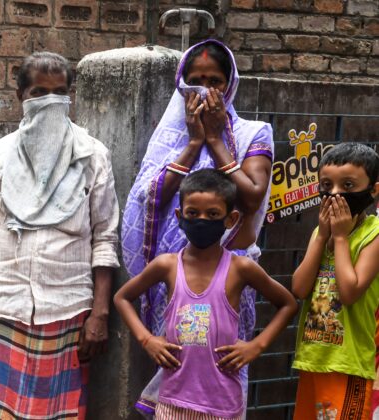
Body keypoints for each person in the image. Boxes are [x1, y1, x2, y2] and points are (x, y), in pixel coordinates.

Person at [119, 39, 273, 412]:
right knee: (176, 365)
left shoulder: (254, 134)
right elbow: (152, 199)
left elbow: (251, 198)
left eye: (215, 81)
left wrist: (217, 141)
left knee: (222, 367)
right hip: (177, 275)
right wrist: (192, 143)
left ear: (230, 84)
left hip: (228, 276)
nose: (206, 90)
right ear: (182, 85)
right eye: (196, 80)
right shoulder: (168, 136)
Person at [0, 51, 120, 419]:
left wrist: (100, 313)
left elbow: (105, 237)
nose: (50, 100)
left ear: (71, 96)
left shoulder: (93, 156)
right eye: (39, 92)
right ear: (21, 96)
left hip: (69, 310)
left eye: (59, 91)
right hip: (7, 307)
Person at [115, 169, 297, 419]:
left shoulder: (240, 267)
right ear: (180, 216)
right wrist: (147, 340)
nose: (201, 220)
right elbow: (122, 298)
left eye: (212, 214)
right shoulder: (166, 265)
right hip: (172, 402)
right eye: (193, 213)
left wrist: (257, 346)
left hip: (222, 406)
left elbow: (287, 304)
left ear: (230, 219)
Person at [291, 143, 379, 419]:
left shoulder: (373, 235)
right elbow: (300, 288)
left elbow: (350, 292)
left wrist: (339, 238)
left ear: (373, 191)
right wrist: (322, 237)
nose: (336, 194)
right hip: (314, 358)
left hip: (348, 365)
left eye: (349, 185)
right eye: (327, 185)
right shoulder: (321, 231)